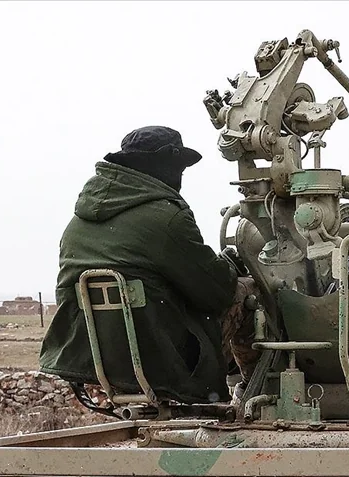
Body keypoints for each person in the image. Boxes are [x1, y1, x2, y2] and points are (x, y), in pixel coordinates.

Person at [39, 126, 260, 405]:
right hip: (163, 359)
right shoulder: (167, 217)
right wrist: (228, 266)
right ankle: (252, 393)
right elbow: (216, 292)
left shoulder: (77, 225)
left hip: (94, 360)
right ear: (163, 167)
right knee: (248, 293)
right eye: (179, 169)